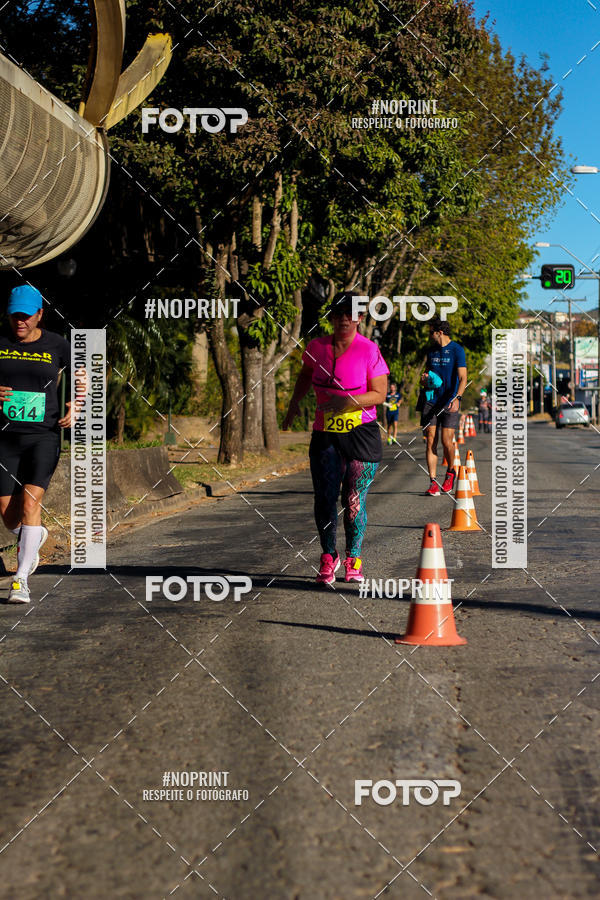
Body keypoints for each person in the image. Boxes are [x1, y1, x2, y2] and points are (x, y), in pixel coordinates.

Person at [283, 291, 388, 584]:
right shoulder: (316, 347)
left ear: (360, 318)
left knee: (353, 501)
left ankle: (354, 558)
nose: (344, 318)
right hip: (325, 434)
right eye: (338, 313)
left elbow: (379, 393)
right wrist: (293, 405)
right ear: (331, 317)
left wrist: (349, 402)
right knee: (325, 498)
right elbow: (305, 374)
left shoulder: (369, 350)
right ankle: (329, 556)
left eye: (350, 313)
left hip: (361, 434)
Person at [0, 285, 72, 603]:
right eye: (15, 315)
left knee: (31, 504)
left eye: (26, 316)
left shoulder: (57, 344)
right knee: (8, 515)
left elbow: (84, 372)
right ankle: (34, 535)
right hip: (5, 437)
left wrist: (77, 403)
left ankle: (20, 580)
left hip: (43, 436)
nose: (20, 321)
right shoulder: (1, 342)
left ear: (40, 314)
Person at [419, 317, 467, 496]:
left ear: (439, 332)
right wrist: (424, 380)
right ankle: (432, 482)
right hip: (431, 400)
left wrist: (458, 397)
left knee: (447, 441)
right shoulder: (431, 351)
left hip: (449, 401)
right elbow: (427, 374)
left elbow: (463, 377)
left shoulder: (456, 350)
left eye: (431, 332)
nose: (429, 335)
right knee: (431, 439)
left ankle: (450, 472)